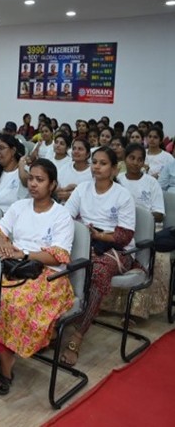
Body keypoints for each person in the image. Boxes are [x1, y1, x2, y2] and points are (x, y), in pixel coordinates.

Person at [0, 159, 75, 395]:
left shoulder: (61, 215)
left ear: (53, 184)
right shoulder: (19, 207)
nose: (33, 184)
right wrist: (5, 244)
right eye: (31, 179)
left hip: (48, 276)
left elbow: (59, 255)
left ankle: (6, 368)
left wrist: (24, 253)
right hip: (15, 266)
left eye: (40, 180)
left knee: (9, 302)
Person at [61, 147, 137, 365]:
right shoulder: (82, 190)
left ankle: (77, 336)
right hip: (86, 243)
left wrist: (99, 235)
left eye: (103, 163)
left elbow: (124, 235)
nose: (96, 167)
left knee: (96, 272)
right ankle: (56, 324)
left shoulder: (122, 195)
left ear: (114, 168)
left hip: (117, 251)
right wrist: (85, 236)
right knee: (58, 266)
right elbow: (66, 218)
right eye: (94, 162)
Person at [118, 143, 165, 223]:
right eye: (132, 158)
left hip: (145, 226)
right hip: (121, 224)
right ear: (125, 159)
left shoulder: (152, 182)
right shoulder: (118, 180)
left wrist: (138, 218)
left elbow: (159, 214)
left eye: (140, 160)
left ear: (143, 162)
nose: (135, 163)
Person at [0, 134, 27, 214]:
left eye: (1, 148)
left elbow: (26, 181)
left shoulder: (23, 171)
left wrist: (21, 165)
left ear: (13, 151)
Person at [57, 138, 93, 203]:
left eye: (80, 149)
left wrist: (72, 196)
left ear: (87, 154)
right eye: (74, 148)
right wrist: (62, 190)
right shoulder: (65, 168)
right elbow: (57, 190)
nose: (76, 151)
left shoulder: (93, 172)